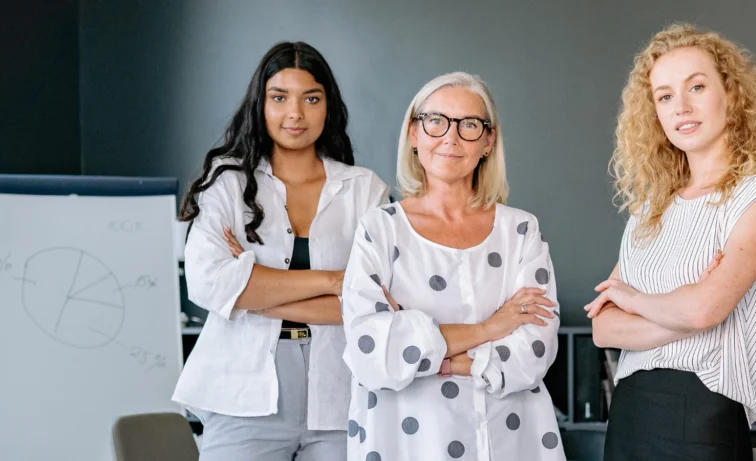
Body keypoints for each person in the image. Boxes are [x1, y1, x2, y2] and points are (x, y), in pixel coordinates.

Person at [172, 41, 389, 461]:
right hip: (241, 391)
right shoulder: (227, 183)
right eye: (279, 98)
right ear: (261, 105)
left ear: (329, 106)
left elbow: (377, 304)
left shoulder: (365, 190)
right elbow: (208, 282)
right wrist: (333, 281)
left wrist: (254, 293)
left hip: (343, 395)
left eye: (311, 98)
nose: (296, 113)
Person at [341, 72, 565, 461]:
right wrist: (489, 328)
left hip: (510, 438)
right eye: (436, 121)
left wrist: (423, 345)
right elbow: (372, 352)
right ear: (414, 133)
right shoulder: (379, 229)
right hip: (407, 441)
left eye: (470, 125)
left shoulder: (521, 230)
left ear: (488, 140)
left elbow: (536, 346)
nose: (451, 137)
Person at [585, 24, 756, 461]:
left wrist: (633, 297)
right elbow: (602, 328)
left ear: (731, 94)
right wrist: (683, 314)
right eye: (665, 96)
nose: (681, 107)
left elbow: (704, 309)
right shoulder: (651, 207)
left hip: (703, 415)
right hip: (629, 414)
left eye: (697, 87)